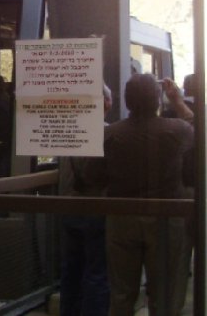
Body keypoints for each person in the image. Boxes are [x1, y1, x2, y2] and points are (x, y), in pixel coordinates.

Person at [89, 74, 194, 316]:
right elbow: (198, 129)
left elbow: (93, 176)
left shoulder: (111, 135)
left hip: (121, 219)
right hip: (167, 219)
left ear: (126, 101)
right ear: (158, 99)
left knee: (122, 293)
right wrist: (177, 101)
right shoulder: (177, 130)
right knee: (165, 293)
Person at [57, 84, 112, 316]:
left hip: (69, 208)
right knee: (97, 272)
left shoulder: (69, 130)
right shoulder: (107, 133)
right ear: (105, 104)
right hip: (96, 211)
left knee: (71, 270)